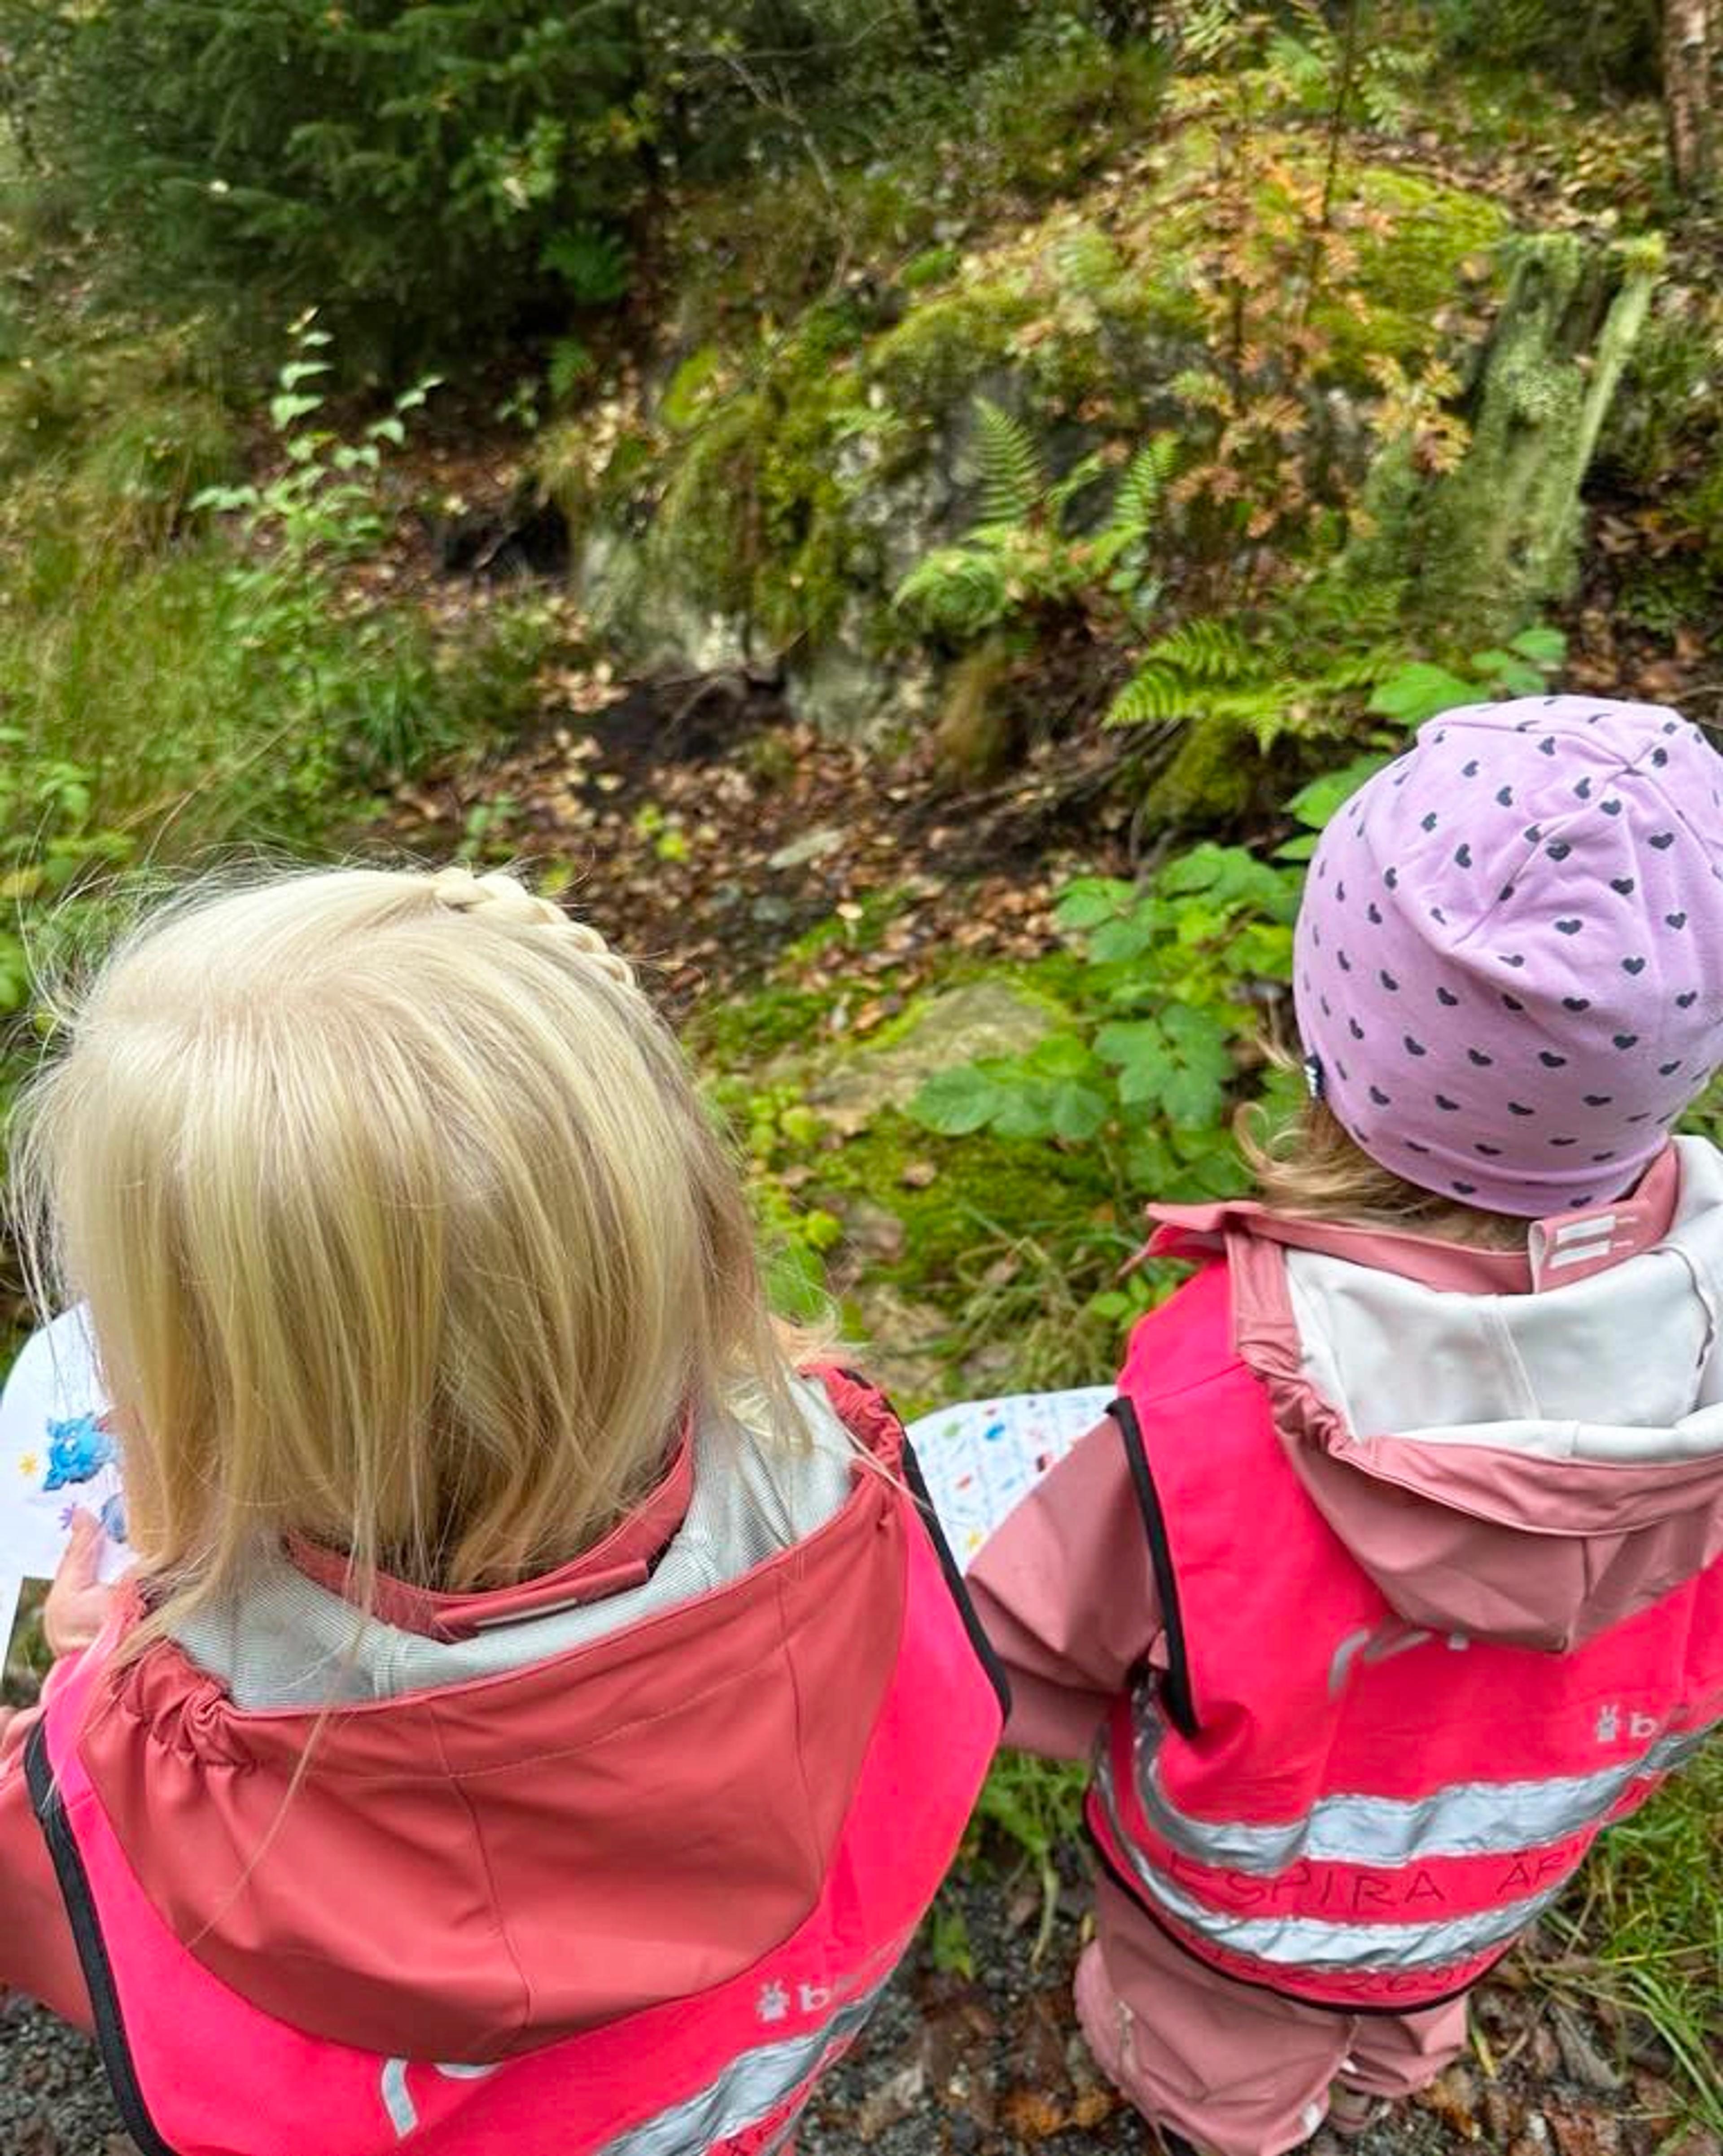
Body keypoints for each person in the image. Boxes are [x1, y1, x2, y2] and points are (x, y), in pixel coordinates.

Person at [0, 865, 1006, 2156]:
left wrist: (107, 1665)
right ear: (680, 1222)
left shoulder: (138, 1753)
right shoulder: (852, 1492)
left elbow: (66, 1925)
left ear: (208, 1406)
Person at [966, 697, 1723, 2156]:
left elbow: (1045, 1641)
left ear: (1332, 1040)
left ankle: (1232, 2113)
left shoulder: (1216, 1385)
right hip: (1499, 1870)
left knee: (1214, 2048)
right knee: (1414, 1989)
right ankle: (1397, 2048)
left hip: (1237, 1905)